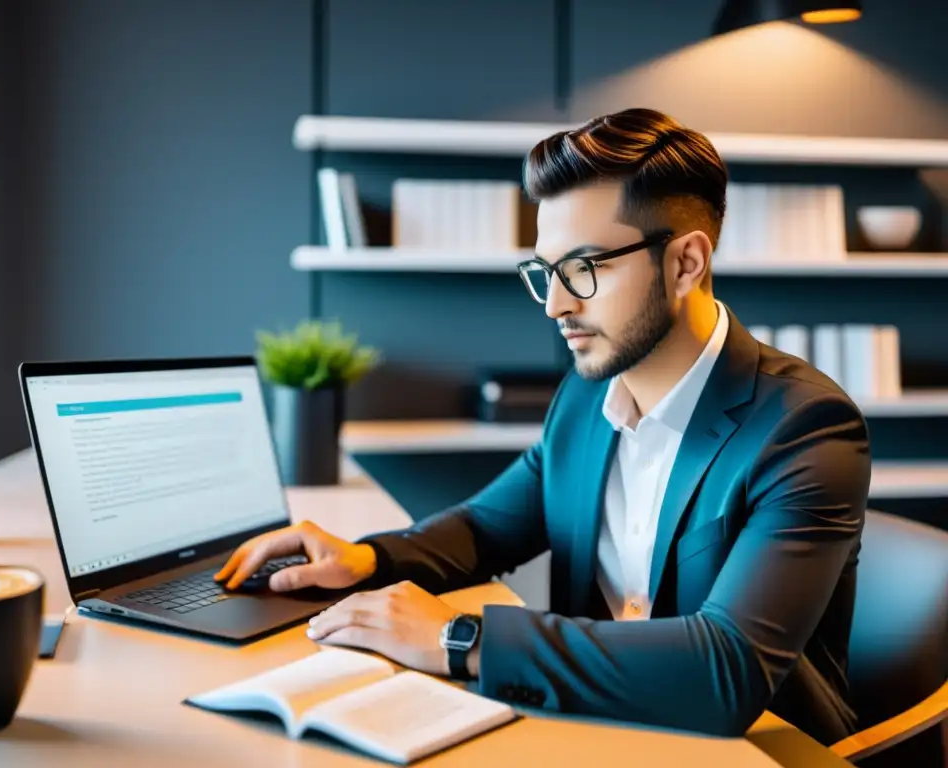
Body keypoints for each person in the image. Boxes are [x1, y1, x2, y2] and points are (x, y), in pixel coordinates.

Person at [215, 107, 870, 745]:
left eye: (584, 269)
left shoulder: (804, 428)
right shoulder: (586, 398)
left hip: (761, 749)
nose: (556, 304)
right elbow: (486, 527)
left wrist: (460, 639)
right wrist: (366, 558)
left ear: (685, 264)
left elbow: (725, 670)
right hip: (605, 725)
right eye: (546, 272)